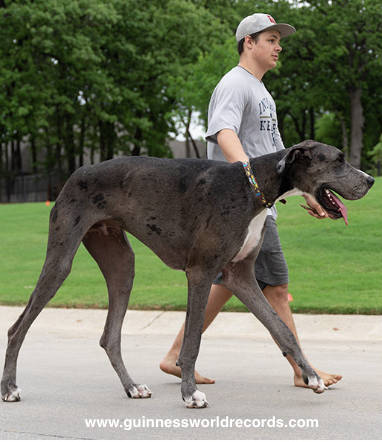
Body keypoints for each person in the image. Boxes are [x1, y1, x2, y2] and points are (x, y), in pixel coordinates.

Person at [160, 13, 342, 389]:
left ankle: (176, 356)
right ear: (249, 43)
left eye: (279, 41)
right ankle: (302, 369)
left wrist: (307, 192)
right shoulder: (235, 84)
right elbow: (223, 132)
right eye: (272, 40)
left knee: (229, 280)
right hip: (241, 204)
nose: (279, 47)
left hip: (256, 202)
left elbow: (278, 157)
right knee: (275, 284)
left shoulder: (261, 91)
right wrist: (251, 183)